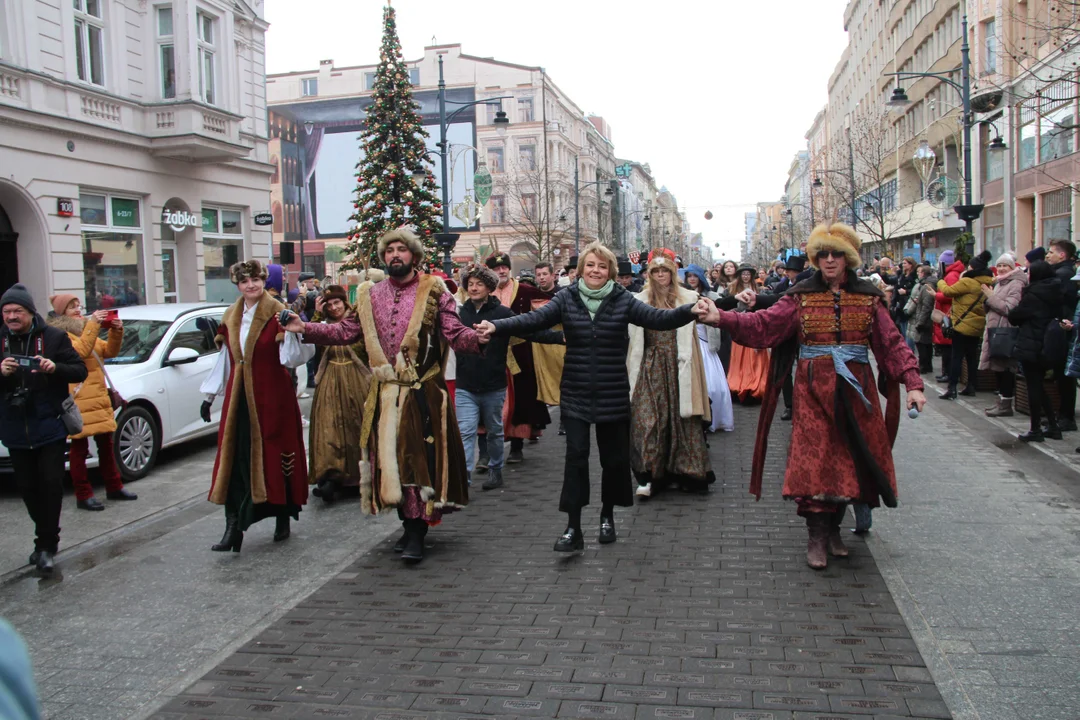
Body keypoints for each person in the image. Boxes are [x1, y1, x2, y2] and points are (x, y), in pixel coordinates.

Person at [697, 224, 926, 569]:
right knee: (816, 462)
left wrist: (914, 383)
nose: (829, 260)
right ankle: (817, 536)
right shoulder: (799, 296)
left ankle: (834, 529)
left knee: (850, 461)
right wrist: (722, 317)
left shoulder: (868, 298)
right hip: (812, 390)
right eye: (823, 254)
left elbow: (892, 343)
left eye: (836, 254)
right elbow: (765, 325)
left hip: (856, 391)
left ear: (848, 258)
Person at [474, 242, 706, 552]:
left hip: (612, 394)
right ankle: (573, 527)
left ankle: (607, 516)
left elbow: (657, 319)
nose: (596, 271)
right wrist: (496, 325)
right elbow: (531, 321)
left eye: (602, 266)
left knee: (613, 461)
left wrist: (691, 310)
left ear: (610, 271)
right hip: (576, 394)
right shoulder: (567, 298)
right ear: (581, 269)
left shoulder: (622, 299)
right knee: (576, 460)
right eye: (590, 265)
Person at [285, 227, 480, 563]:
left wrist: (480, 338)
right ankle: (407, 524)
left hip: (422, 392)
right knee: (389, 464)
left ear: (414, 256)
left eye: (401, 250)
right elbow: (347, 331)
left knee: (418, 463)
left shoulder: (435, 291)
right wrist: (306, 328)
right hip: (385, 393)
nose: (394, 256)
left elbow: (454, 331)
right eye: (389, 251)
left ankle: (418, 531)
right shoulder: (370, 295)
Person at [200, 260, 309, 553]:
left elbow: (292, 359)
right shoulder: (231, 315)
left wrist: (293, 331)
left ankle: (283, 515)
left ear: (264, 281)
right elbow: (226, 359)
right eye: (245, 281)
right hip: (239, 402)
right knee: (236, 460)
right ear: (237, 285)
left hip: (274, 398)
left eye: (256, 280)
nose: (251, 286)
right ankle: (233, 527)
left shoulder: (277, 313)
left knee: (276, 456)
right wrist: (209, 396)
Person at [0, 284, 88, 574]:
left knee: (50, 486)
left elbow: (79, 370)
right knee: (27, 488)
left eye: (17, 311)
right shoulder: (0, 338)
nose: (11, 316)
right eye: (7, 311)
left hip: (49, 423)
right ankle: (44, 537)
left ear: (30, 312)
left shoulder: (54, 337)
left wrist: (55, 368)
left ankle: (47, 546)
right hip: (14, 426)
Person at [456, 265, 562, 491]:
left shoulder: (502, 314)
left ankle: (495, 469)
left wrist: (560, 337)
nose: (473, 288)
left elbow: (529, 331)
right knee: (466, 431)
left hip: (493, 383)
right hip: (465, 384)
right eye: (470, 284)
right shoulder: (459, 313)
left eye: (479, 284)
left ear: (489, 287)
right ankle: (463, 480)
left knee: (495, 430)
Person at [628, 251, 717, 500]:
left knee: (682, 418)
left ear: (672, 273)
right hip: (650, 362)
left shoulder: (688, 297)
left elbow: (714, 310)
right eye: (655, 272)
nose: (660, 276)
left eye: (664, 271)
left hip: (680, 362)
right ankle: (648, 474)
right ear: (649, 275)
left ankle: (685, 471)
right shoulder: (639, 300)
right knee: (648, 419)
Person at [46, 295, 137, 511]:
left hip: (97, 397)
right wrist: (94, 324)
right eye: (71, 307)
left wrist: (116, 330)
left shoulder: (86, 328)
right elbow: (81, 351)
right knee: (79, 448)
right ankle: (83, 494)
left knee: (106, 444)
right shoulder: (60, 334)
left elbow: (109, 351)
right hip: (79, 399)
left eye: (78, 306)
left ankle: (114, 487)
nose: (78, 310)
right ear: (61, 312)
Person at [485, 252, 551, 465]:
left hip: (520, 353)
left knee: (521, 399)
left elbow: (549, 309)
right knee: (489, 401)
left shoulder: (525, 290)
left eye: (504, 267)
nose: (501, 271)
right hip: (491, 355)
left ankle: (516, 446)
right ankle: (486, 452)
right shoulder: (483, 293)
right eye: (496, 268)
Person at [307, 285, 370, 504]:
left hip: (357, 378)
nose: (334, 308)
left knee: (357, 426)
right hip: (329, 379)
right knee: (329, 429)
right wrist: (316, 314)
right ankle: (330, 478)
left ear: (344, 302)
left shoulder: (358, 322)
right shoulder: (323, 325)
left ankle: (359, 477)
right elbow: (310, 339)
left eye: (337, 303)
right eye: (330, 304)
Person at [1009, 261, 1065, 442]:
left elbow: (1015, 316)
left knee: (1033, 386)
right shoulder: (1055, 291)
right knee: (1039, 386)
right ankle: (1053, 426)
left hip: (1031, 343)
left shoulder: (1033, 295)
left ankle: (1035, 429)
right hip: (1049, 344)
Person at [683, 263, 734, 433]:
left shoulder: (710, 295)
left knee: (714, 387)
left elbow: (723, 305)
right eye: (689, 276)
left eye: (694, 276)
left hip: (706, 344)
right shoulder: (680, 296)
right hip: (687, 345)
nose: (691, 279)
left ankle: (714, 419)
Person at [937, 251, 993, 400]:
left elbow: (948, 291)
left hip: (962, 324)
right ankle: (971, 386)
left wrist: (941, 281)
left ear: (973, 268)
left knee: (957, 357)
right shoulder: (988, 281)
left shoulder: (968, 281)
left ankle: (952, 388)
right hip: (977, 325)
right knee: (971, 357)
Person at [978, 254, 1027, 417]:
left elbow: (1009, 309)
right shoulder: (1000, 282)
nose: (1001, 269)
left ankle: (1006, 404)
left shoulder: (1016, 284)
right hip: (995, 330)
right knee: (998, 369)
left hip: (1006, 331)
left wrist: (990, 297)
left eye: (1005, 266)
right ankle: (1001, 403)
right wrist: (987, 300)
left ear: (1012, 268)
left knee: (1005, 369)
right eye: (999, 266)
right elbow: (993, 306)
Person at [725, 265, 770, 402]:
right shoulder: (732, 290)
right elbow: (728, 308)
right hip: (739, 326)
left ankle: (756, 385)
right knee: (739, 359)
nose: (745, 276)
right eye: (743, 274)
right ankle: (740, 385)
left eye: (747, 274)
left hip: (755, 327)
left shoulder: (759, 290)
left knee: (757, 358)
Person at [1046, 240, 1078, 431]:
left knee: (1065, 376)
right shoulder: (1062, 272)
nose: (1048, 255)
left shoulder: (1063, 274)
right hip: (1063, 328)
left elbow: (1062, 301)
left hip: (1064, 330)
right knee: (1062, 375)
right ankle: (1063, 415)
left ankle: (1066, 417)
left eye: (1051, 252)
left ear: (1062, 255)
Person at [532, 262, 567, 436]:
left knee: (564, 379)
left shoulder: (562, 295)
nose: (542, 277)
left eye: (545, 274)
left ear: (553, 276)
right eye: (538, 274)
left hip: (560, 342)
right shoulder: (532, 294)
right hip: (539, 345)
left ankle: (565, 418)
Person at [933, 249, 963, 381]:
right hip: (945, 312)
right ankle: (947, 373)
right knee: (946, 346)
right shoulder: (952, 274)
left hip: (947, 314)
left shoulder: (951, 276)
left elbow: (950, 295)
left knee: (947, 346)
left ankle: (948, 374)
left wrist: (936, 295)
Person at [906, 265, 939, 375]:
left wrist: (920, 322)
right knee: (926, 343)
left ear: (923, 273)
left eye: (919, 272)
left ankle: (924, 366)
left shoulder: (926, 286)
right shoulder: (928, 284)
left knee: (922, 343)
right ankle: (927, 365)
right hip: (927, 319)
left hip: (924, 319)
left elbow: (926, 306)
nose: (918, 274)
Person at [892, 257, 919, 342]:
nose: (903, 265)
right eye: (903, 263)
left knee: (909, 330)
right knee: (902, 328)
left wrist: (906, 291)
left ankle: (909, 349)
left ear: (911, 265)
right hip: (900, 304)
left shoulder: (914, 276)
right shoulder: (901, 275)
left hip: (909, 303)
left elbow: (917, 289)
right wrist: (893, 303)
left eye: (905, 263)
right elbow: (896, 288)